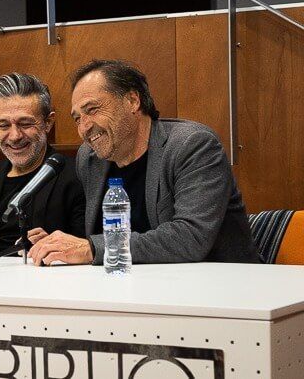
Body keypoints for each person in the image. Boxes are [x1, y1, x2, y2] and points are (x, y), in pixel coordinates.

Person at [28, 59, 261, 265]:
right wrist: (55, 245)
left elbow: (191, 237)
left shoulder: (192, 145)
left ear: (132, 100)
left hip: (221, 290)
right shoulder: (89, 159)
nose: (84, 127)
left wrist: (91, 248)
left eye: (93, 110)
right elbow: (103, 234)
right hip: (139, 290)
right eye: (78, 118)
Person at [0, 73, 85, 256]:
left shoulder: (76, 177)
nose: (15, 136)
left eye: (25, 123)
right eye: (4, 125)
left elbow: (86, 249)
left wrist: (55, 247)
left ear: (48, 123)